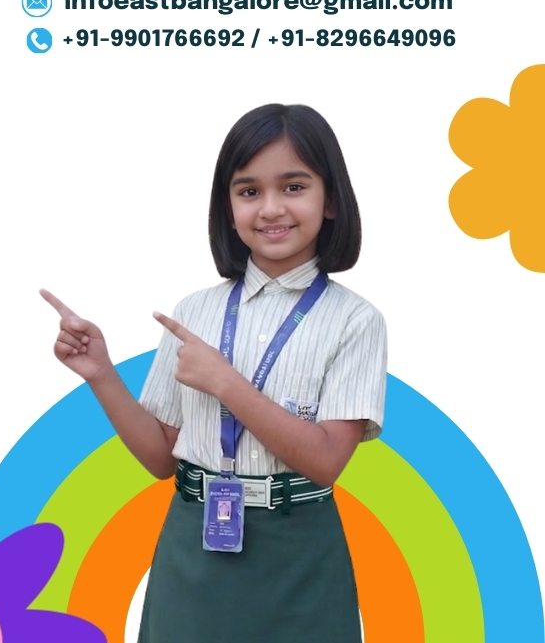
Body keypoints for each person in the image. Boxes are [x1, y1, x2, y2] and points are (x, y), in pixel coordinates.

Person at [41, 103, 387, 643]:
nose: (271, 208)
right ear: (227, 209)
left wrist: (226, 382)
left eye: (293, 187)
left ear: (332, 200)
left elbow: (325, 462)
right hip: (194, 544)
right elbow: (160, 458)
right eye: (248, 191)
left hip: (300, 551)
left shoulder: (355, 320)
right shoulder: (196, 311)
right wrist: (101, 373)